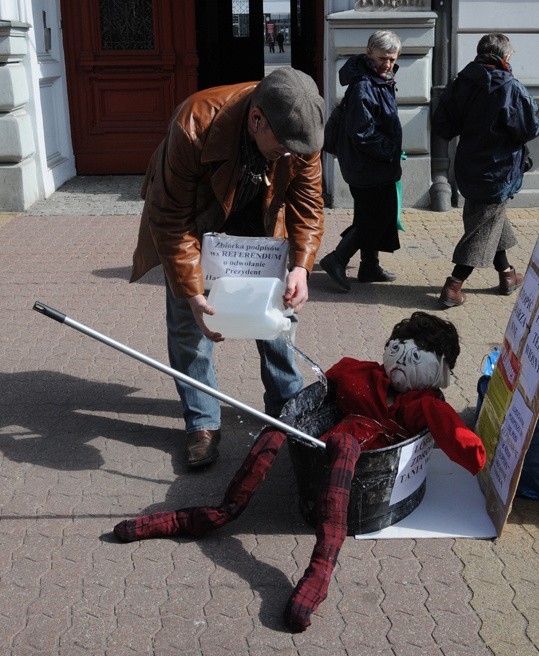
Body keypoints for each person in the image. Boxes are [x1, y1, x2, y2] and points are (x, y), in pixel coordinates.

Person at [113, 311, 486, 632]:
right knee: (279, 427)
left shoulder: (424, 404)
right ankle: (217, 513)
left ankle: (321, 567)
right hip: (328, 438)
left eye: (417, 357)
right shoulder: (360, 372)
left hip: (356, 457)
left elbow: (456, 435)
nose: (402, 360)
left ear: (438, 372)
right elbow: (323, 388)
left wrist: (485, 460)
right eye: (398, 347)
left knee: (344, 447)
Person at [129, 67, 325, 468]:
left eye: (298, 151)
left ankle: (286, 409)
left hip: (259, 223)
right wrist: (193, 291)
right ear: (256, 120)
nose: (291, 155)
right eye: (283, 147)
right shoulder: (193, 124)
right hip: (195, 226)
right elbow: (170, 218)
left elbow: (308, 204)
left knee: (277, 320)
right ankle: (202, 421)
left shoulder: (301, 134)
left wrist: (302, 266)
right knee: (191, 327)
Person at [431, 33, 539, 307]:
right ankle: (453, 287)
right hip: (498, 170)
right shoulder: (510, 87)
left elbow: (443, 126)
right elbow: (530, 129)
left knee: (490, 218)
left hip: (468, 165)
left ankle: (507, 275)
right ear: (504, 56)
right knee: (482, 227)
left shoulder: (462, 82)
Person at [320, 30, 403, 293]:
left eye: (392, 59)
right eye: (383, 58)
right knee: (374, 218)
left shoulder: (378, 79)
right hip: (368, 166)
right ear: (369, 52)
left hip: (370, 165)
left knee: (370, 214)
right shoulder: (364, 85)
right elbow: (362, 132)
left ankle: (369, 266)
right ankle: (337, 259)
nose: (388, 64)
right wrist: (388, 149)